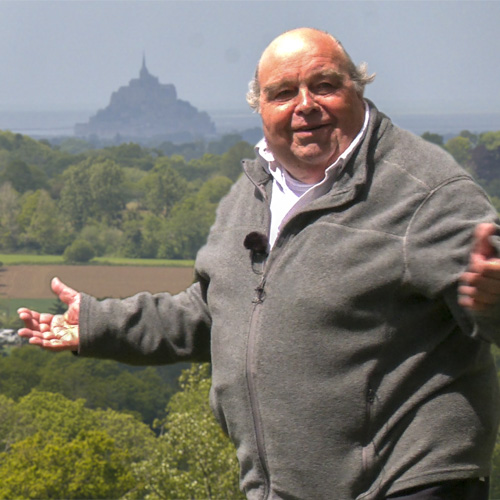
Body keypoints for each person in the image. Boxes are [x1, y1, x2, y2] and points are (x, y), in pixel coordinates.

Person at [18, 28, 500, 500]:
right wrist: (98, 324)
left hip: (409, 482)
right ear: (262, 108)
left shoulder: (427, 191)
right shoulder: (253, 192)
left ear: (358, 89)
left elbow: (488, 295)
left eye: (325, 85)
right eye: (283, 93)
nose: (305, 104)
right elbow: (215, 311)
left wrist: (493, 301)